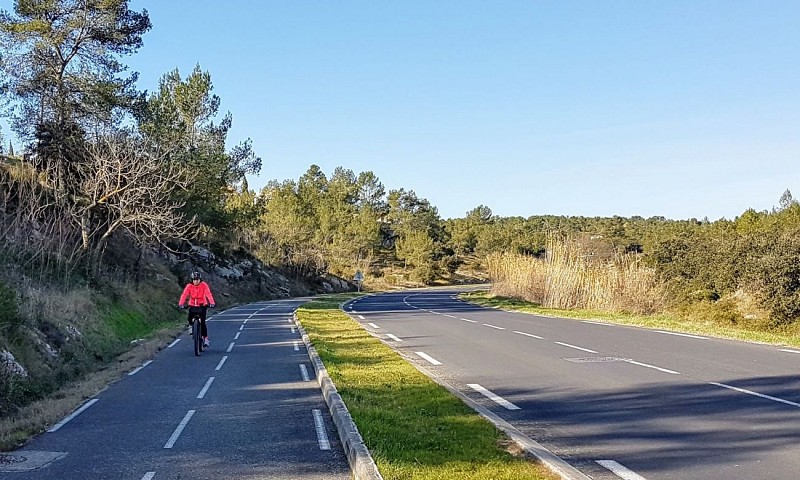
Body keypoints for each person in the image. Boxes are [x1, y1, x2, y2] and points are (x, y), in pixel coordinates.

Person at [179, 271, 216, 347]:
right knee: (190, 318)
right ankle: (190, 326)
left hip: (202, 305)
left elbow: (208, 294)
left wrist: (212, 302)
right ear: (192, 280)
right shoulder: (189, 286)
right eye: (194, 279)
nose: (196, 281)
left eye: (197, 279)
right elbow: (184, 294)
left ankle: (205, 339)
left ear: (200, 279)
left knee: (202, 322)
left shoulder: (204, 285)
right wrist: (181, 304)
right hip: (192, 305)